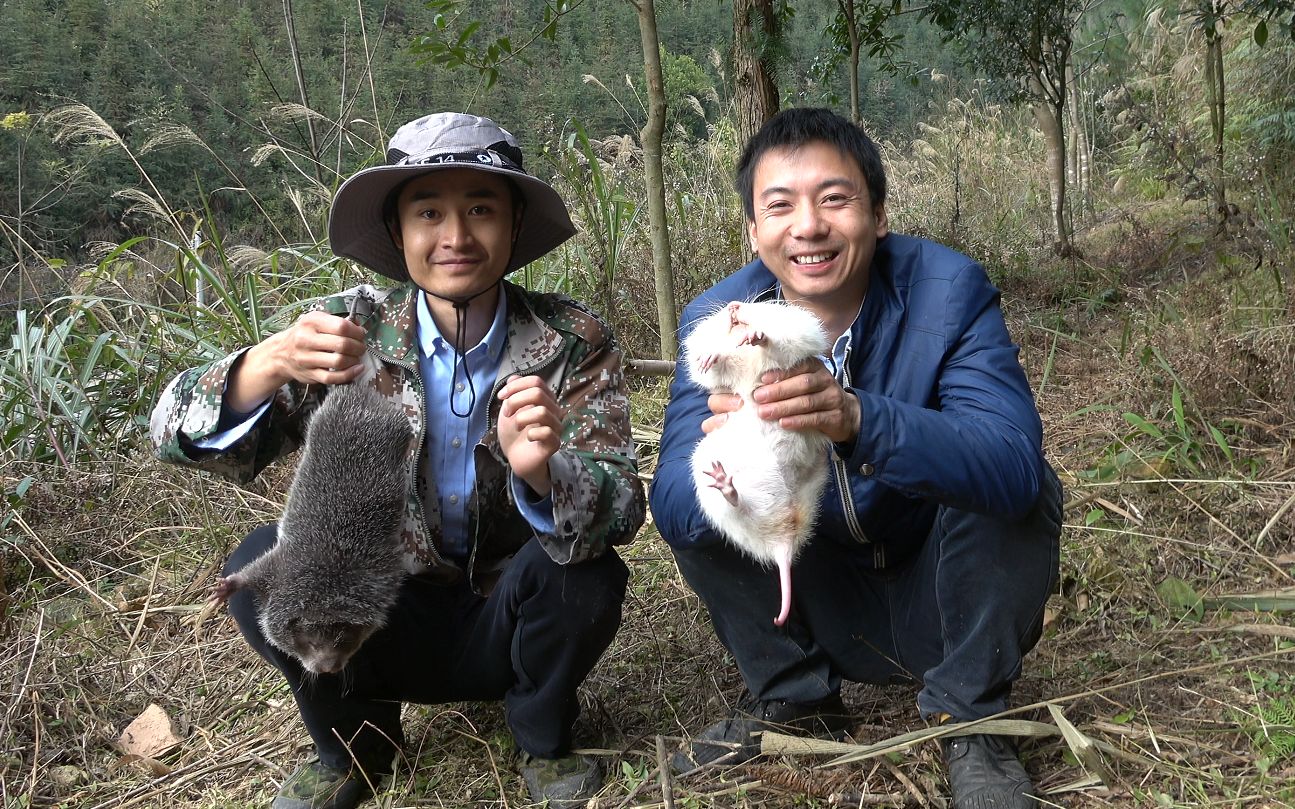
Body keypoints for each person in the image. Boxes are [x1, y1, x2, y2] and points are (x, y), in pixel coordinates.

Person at [151, 113, 646, 809]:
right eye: (428, 212)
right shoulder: (345, 330)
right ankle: (353, 744)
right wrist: (261, 365)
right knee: (264, 564)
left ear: (513, 225)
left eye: (480, 208)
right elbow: (171, 432)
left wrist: (544, 472)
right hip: (376, 612)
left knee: (585, 573)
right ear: (396, 232)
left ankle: (541, 733)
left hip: (505, 609)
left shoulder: (570, 339)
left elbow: (622, 506)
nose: (455, 236)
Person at [650, 107, 1062, 809]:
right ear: (753, 231)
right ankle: (795, 696)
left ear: (877, 214)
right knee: (708, 495)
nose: (807, 226)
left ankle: (970, 714)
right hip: (817, 597)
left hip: (939, 591)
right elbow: (674, 510)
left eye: (834, 199)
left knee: (1023, 489)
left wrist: (857, 419)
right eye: (778, 207)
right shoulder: (721, 320)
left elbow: (1011, 462)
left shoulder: (947, 291)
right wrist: (734, 460)